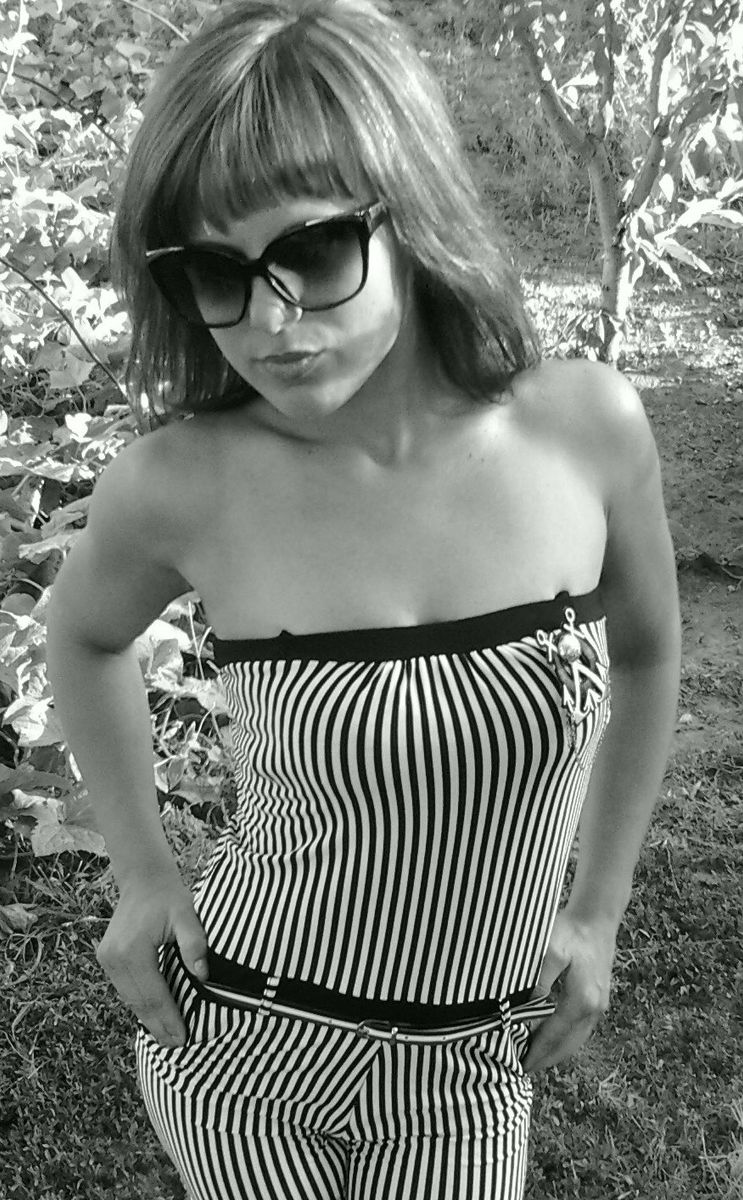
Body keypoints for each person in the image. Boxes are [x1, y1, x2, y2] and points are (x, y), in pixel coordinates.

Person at [45, 0, 681, 1197]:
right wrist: (142, 872)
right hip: (237, 1050)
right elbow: (79, 637)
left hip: (467, 1072)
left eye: (314, 251)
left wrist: (597, 911)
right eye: (213, 273)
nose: (268, 322)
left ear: (409, 211)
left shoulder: (583, 429)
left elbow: (646, 656)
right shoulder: (180, 484)